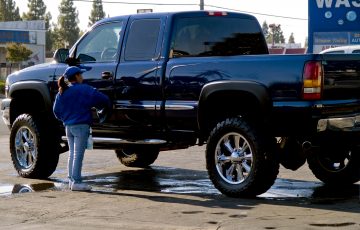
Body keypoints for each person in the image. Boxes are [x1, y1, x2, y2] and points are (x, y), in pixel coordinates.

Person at [53, 66, 111, 191]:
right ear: (77, 76)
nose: (83, 77)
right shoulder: (85, 89)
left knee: (72, 154)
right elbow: (103, 99)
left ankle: (71, 180)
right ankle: (77, 182)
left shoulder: (62, 92)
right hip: (81, 126)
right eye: (81, 75)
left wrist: (65, 119)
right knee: (78, 155)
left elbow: (55, 111)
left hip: (68, 127)